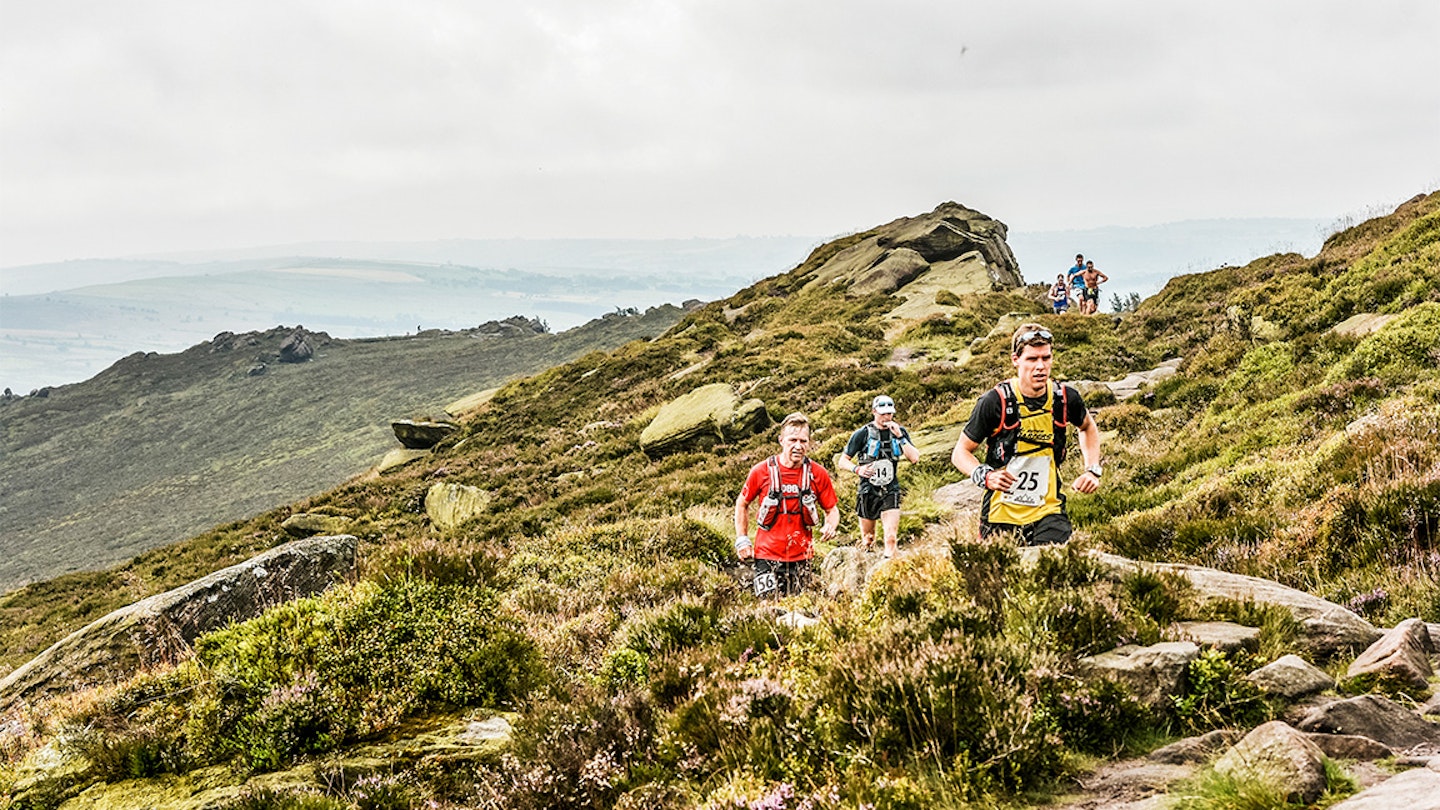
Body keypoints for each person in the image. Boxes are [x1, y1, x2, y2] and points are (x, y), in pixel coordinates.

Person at [951, 324, 1103, 547]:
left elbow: (1088, 427)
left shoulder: (1064, 398)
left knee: (1053, 572)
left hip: (1049, 510)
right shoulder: (994, 402)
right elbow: (960, 453)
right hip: (1000, 514)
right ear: (1016, 360)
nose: (1041, 366)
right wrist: (985, 476)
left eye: (1046, 358)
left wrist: (1092, 470)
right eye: (1032, 359)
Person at [735, 412, 841, 597]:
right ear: (781, 440)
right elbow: (742, 504)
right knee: (768, 607)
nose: (798, 446)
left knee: (799, 610)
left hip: (802, 558)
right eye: (793, 440)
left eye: (803, 441)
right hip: (766, 556)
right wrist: (742, 540)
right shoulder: (761, 471)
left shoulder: (818, 473)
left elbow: (831, 509)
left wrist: (830, 526)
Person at [839, 394, 922, 558]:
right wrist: (857, 469)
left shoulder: (900, 432)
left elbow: (915, 458)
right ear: (874, 412)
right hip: (867, 489)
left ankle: (889, 570)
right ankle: (864, 567)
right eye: (883, 413)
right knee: (868, 539)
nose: (887, 417)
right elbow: (843, 461)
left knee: (891, 538)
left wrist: (900, 437)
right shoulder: (862, 434)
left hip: (891, 488)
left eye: (889, 413)